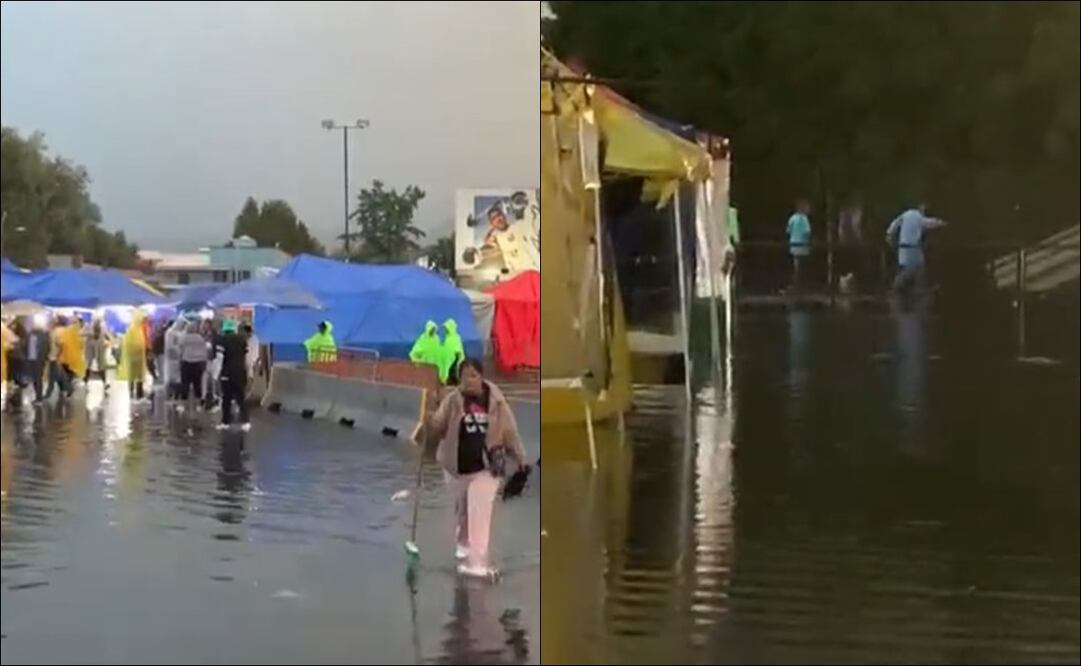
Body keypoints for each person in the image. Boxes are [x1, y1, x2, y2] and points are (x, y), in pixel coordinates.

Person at [421, 357, 529, 578]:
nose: (469, 381)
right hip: (457, 466)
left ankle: (477, 561)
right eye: (464, 377)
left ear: (481, 377)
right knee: (463, 509)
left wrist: (520, 457)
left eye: (473, 375)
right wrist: (430, 420)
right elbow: (439, 427)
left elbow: (509, 430)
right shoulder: (453, 400)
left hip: (487, 466)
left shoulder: (496, 401)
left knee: (479, 510)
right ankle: (463, 541)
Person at [886, 203, 947, 297]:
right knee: (915, 269)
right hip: (913, 247)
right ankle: (902, 290)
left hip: (903, 247)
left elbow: (893, 225)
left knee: (907, 268)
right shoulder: (918, 216)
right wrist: (941, 223)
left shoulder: (905, 214)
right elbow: (929, 223)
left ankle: (902, 290)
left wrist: (890, 237)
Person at [214, 320, 250, 430]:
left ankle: (225, 422)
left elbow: (220, 358)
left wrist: (216, 374)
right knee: (240, 397)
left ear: (224, 330)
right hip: (240, 372)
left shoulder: (222, 340)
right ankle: (245, 422)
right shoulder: (242, 340)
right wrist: (247, 371)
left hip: (227, 372)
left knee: (227, 398)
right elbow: (246, 357)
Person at [118, 311, 149, 401]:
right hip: (136, 357)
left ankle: (134, 392)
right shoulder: (136, 330)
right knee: (137, 375)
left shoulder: (133, 330)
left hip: (134, 357)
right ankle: (136, 392)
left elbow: (127, 343)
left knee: (135, 375)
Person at [178, 319, 209, 410]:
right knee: (197, 385)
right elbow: (204, 351)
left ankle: (183, 405)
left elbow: (180, 349)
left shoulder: (184, 338)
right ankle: (199, 405)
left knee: (185, 385)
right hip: (198, 364)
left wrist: (180, 359)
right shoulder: (200, 338)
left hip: (186, 363)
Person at [23, 316, 51, 403]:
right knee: (35, 378)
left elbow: (46, 348)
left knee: (38, 378)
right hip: (31, 359)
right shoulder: (30, 334)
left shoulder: (44, 335)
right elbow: (26, 346)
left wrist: (45, 358)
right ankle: (38, 396)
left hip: (39, 360)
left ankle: (39, 397)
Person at [786, 198, 812, 291]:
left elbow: (788, 231)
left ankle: (795, 285)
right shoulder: (804, 219)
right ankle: (800, 285)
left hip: (793, 246)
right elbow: (807, 232)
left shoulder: (792, 218)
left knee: (796, 266)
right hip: (803, 246)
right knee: (802, 267)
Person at [84, 319, 112, 391]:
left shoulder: (102, 330)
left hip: (99, 349)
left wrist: (107, 342)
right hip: (90, 349)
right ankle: (85, 383)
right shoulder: (89, 329)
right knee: (88, 365)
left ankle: (105, 383)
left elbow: (108, 337)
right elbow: (81, 333)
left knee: (101, 366)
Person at [441, 318, 466, 385]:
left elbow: (459, 352)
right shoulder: (447, 338)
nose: (445, 330)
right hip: (447, 363)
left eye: (446, 328)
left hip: (454, 364)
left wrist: (456, 364)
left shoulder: (456, 338)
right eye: (445, 328)